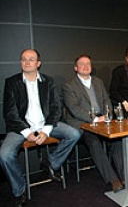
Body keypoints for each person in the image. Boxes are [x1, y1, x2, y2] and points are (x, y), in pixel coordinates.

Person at [0, 49, 81, 207]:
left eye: (31, 59)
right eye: (24, 59)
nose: (27, 62)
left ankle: (51, 162)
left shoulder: (48, 81)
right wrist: (27, 133)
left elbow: (56, 108)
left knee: (74, 133)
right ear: (20, 62)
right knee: (4, 154)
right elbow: (10, 113)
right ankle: (19, 189)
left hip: (46, 124)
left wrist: (46, 130)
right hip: (21, 128)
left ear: (38, 63)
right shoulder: (11, 82)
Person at [62, 54, 128, 194]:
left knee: (118, 139)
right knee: (94, 142)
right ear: (75, 68)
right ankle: (112, 179)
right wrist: (95, 119)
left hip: (103, 120)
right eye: (81, 64)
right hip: (83, 123)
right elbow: (74, 109)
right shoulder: (68, 86)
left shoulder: (98, 82)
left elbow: (107, 100)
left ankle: (126, 177)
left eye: (88, 63)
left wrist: (108, 115)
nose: (85, 66)